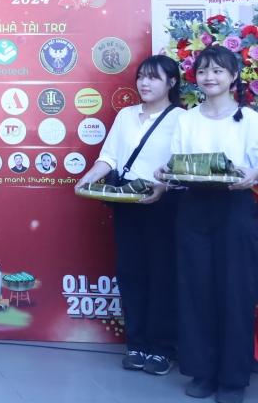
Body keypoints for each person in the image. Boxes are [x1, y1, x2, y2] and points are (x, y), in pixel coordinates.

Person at [154, 46, 258, 403]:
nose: (209, 77)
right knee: (195, 290)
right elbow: (178, 163)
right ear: (194, 78)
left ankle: (233, 378)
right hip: (194, 208)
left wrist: (253, 174)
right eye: (202, 71)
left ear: (233, 77)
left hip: (236, 209)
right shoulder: (187, 118)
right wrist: (164, 171)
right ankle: (202, 372)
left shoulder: (251, 118)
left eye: (217, 71)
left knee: (237, 292)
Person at [75, 54, 183, 377]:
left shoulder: (182, 118)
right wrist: (88, 177)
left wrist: (162, 187)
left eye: (154, 78)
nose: (145, 83)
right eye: (141, 77)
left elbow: (181, 165)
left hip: (163, 205)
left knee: (163, 276)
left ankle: (162, 348)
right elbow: (108, 157)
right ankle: (136, 345)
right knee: (131, 274)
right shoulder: (125, 116)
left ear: (172, 83)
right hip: (126, 202)